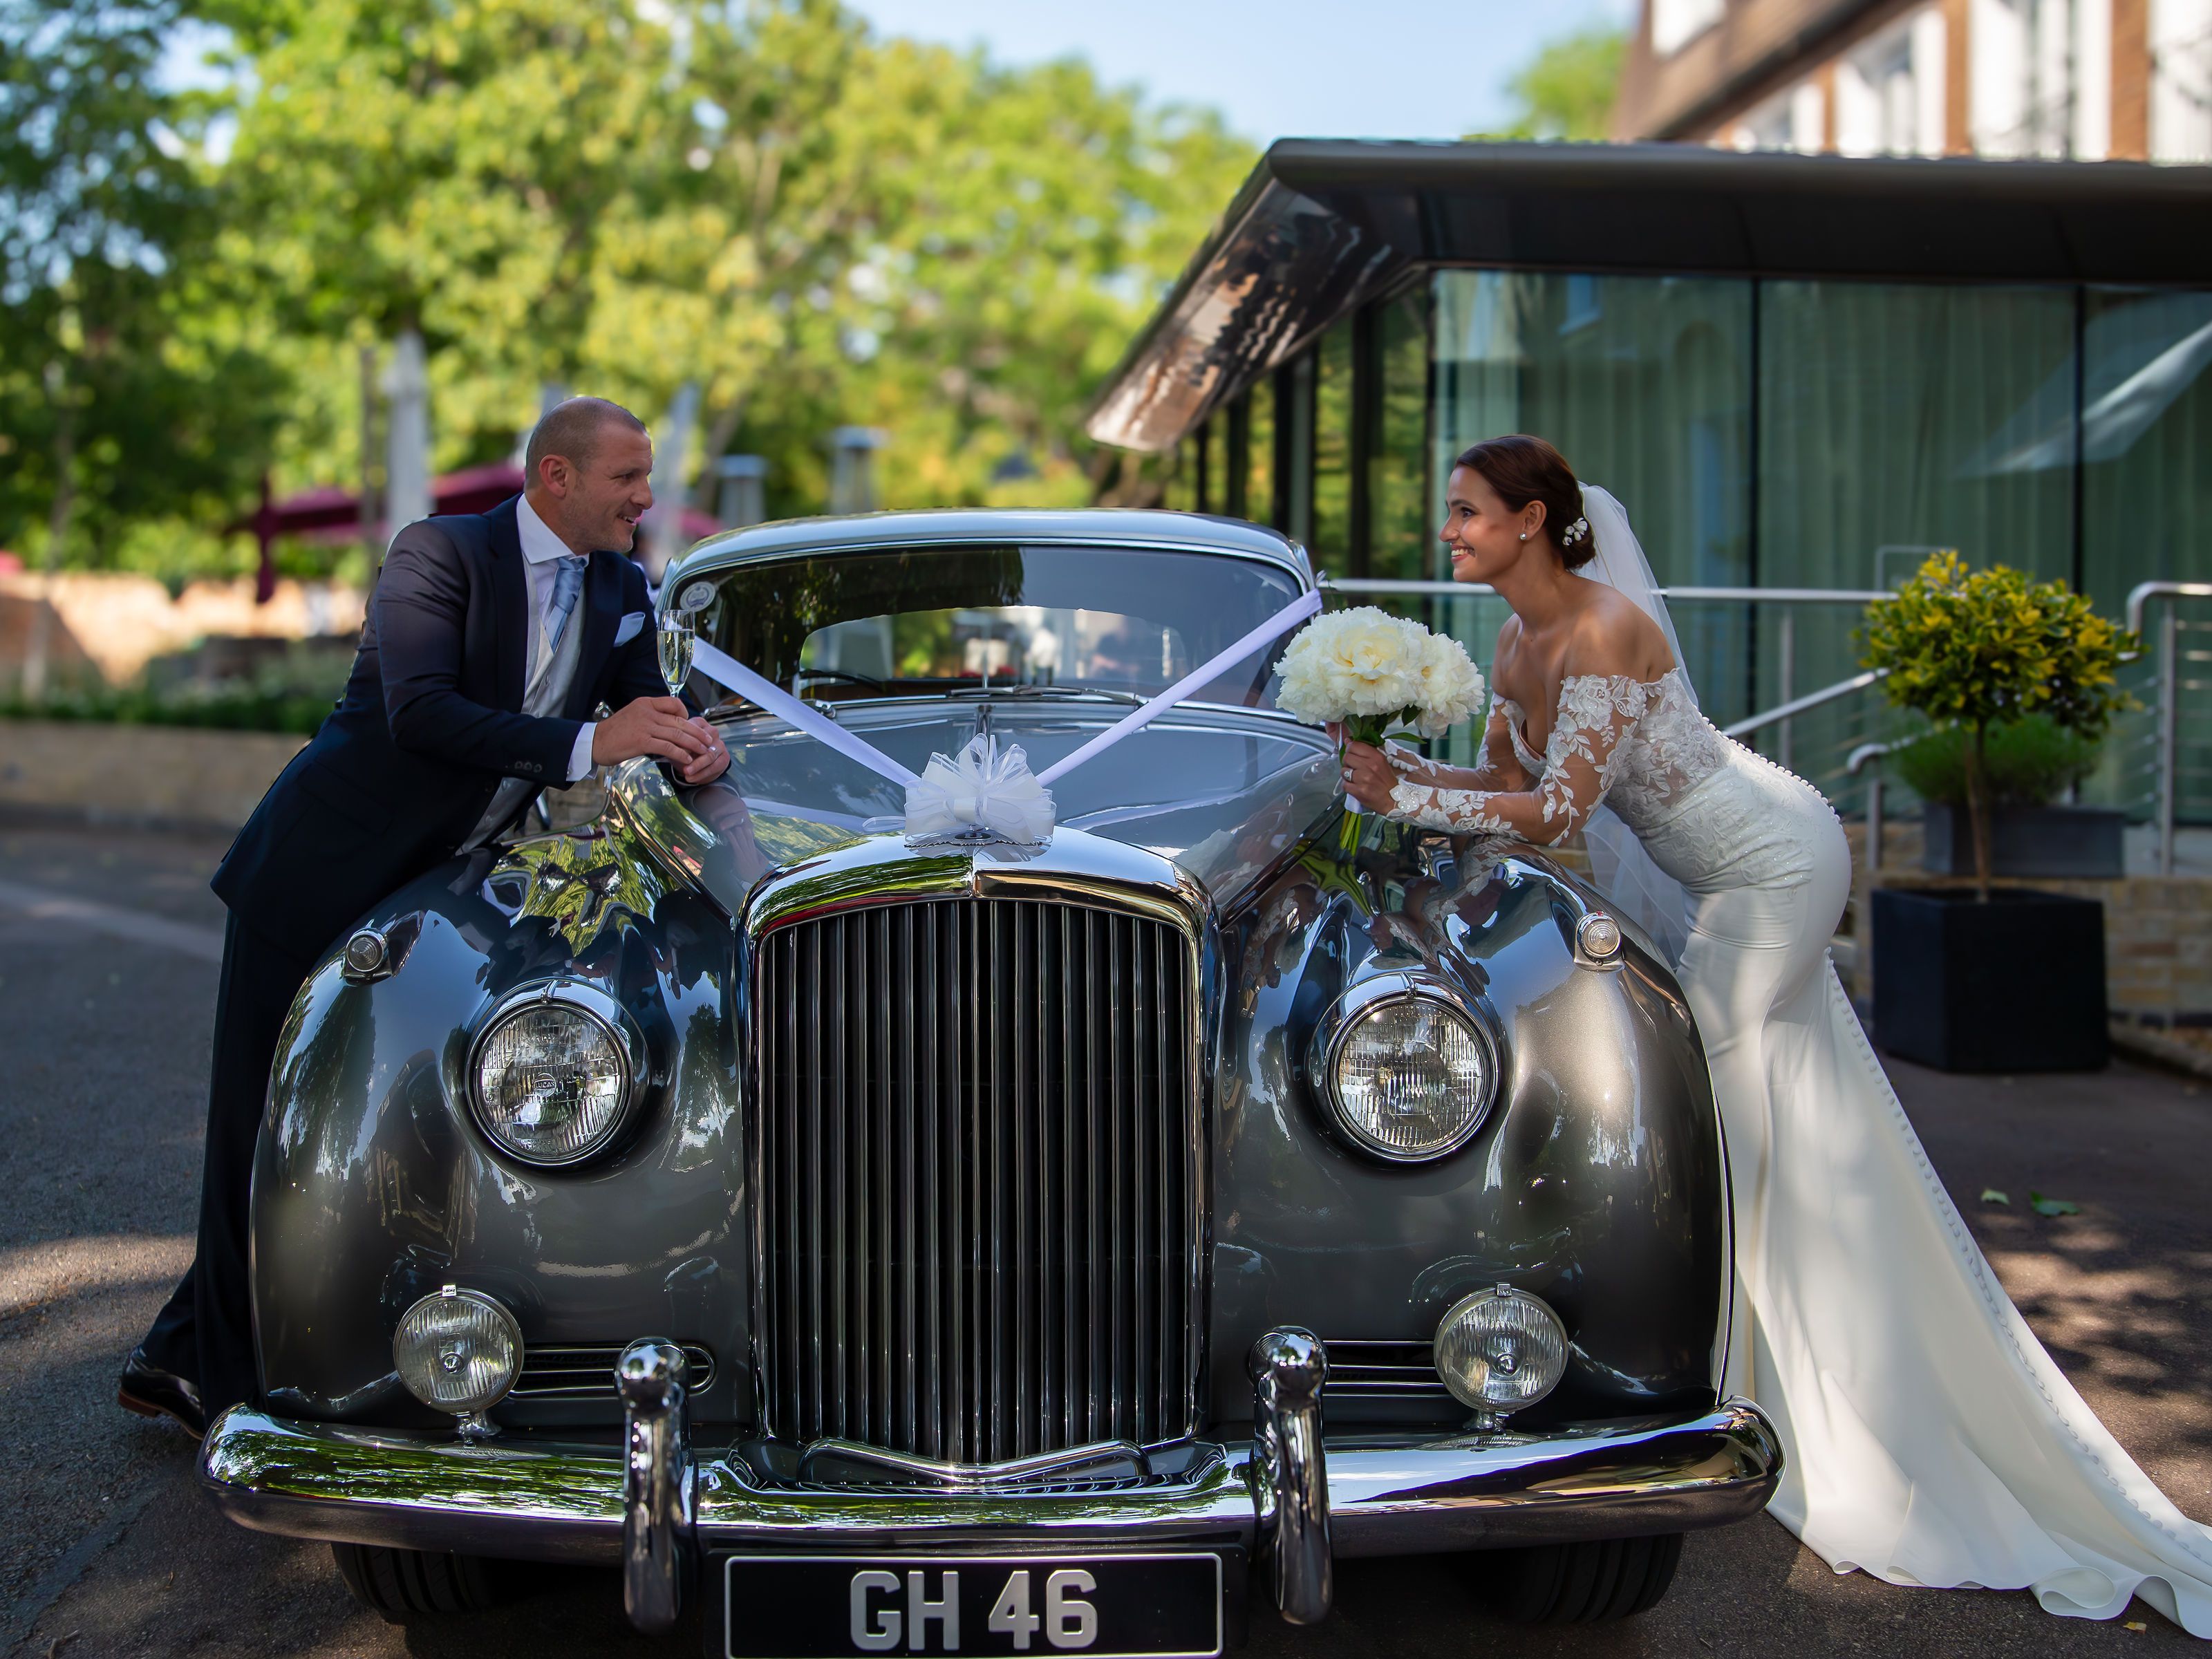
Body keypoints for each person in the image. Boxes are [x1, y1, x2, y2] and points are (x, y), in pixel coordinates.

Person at [1340, 435, 2212, 1638]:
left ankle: (1714, 1377)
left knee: (1706, 1092)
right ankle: (1790, 1363)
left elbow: (1559, 813)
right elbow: (1508, 796)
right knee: (1767, 1117)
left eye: (1468, 511)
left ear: (1535, 520)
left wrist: (1412, 796)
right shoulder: (1512, 639)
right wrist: (1392, 772)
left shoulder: (1599, 633)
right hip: (1719, 879)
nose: (1450, 531)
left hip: (1776, 865)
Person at [120, 395, 731, 1436]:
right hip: (319, 869)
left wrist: (691, 741)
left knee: (400, 1111)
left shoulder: (626, 586)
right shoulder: (436, 556)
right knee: (264, 1126)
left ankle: (207, 1344)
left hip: (449, 897)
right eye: (628, 477)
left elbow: (646, 709)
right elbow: (423, 714)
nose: (646, 496)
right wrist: (592, 744)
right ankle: (216, 1384)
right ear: (557, 479)